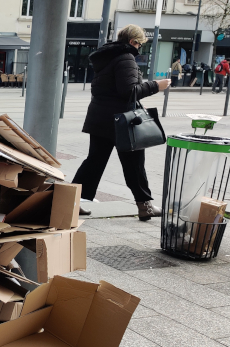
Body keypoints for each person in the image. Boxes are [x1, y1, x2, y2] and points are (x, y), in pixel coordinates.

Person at [72, 24, 170, 220]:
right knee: (134, 164)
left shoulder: (107, 57)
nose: (139, 48)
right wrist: (156, 86)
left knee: (94, 162)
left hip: (101, 118)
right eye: (140, 44)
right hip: (122, 121)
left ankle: (71, 204)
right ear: (133, 42)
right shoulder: (126, 58)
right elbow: (129, 91)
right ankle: (145, 207)